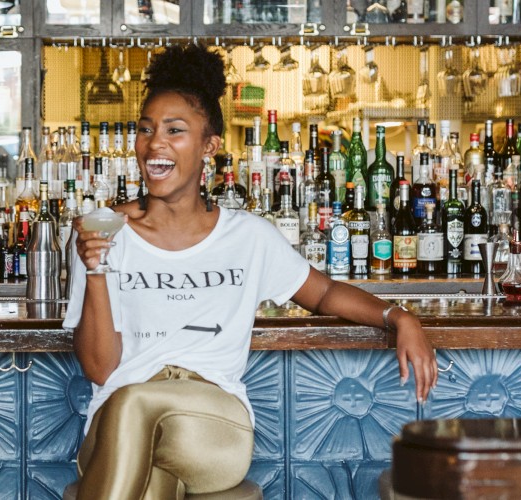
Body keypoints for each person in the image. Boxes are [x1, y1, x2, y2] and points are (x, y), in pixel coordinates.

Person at [64, 45, 438, 499]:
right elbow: (101, 369)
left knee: (135, 402)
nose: (155, 143)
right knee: (146, 465)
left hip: (211, 429)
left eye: (175, 130)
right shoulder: (99, 232)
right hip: (114, 428)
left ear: (210, 146)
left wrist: (400, 317)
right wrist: (97, 268)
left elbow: (322, 294)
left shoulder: (249, 236)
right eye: (145, 129)